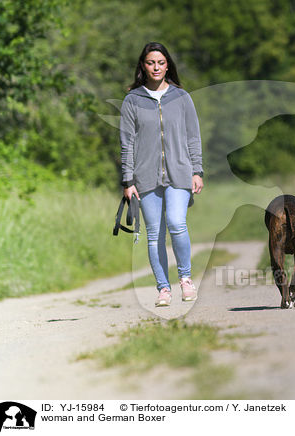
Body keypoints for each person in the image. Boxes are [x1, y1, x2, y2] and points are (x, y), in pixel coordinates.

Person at [119, 42, 204, 307]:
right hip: (145, 177)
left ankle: (186, 279)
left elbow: (193, 137)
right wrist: (128, 180)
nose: (156, 67)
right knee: (154, 233)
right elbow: (127, 143)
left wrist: (197, 170)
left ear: (168, 65)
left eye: (161, 62)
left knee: (177, 223)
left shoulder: (181, 97)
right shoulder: (132, 100)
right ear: (142, 66)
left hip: (180, 173)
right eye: (150, 63)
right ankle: (163, 289)